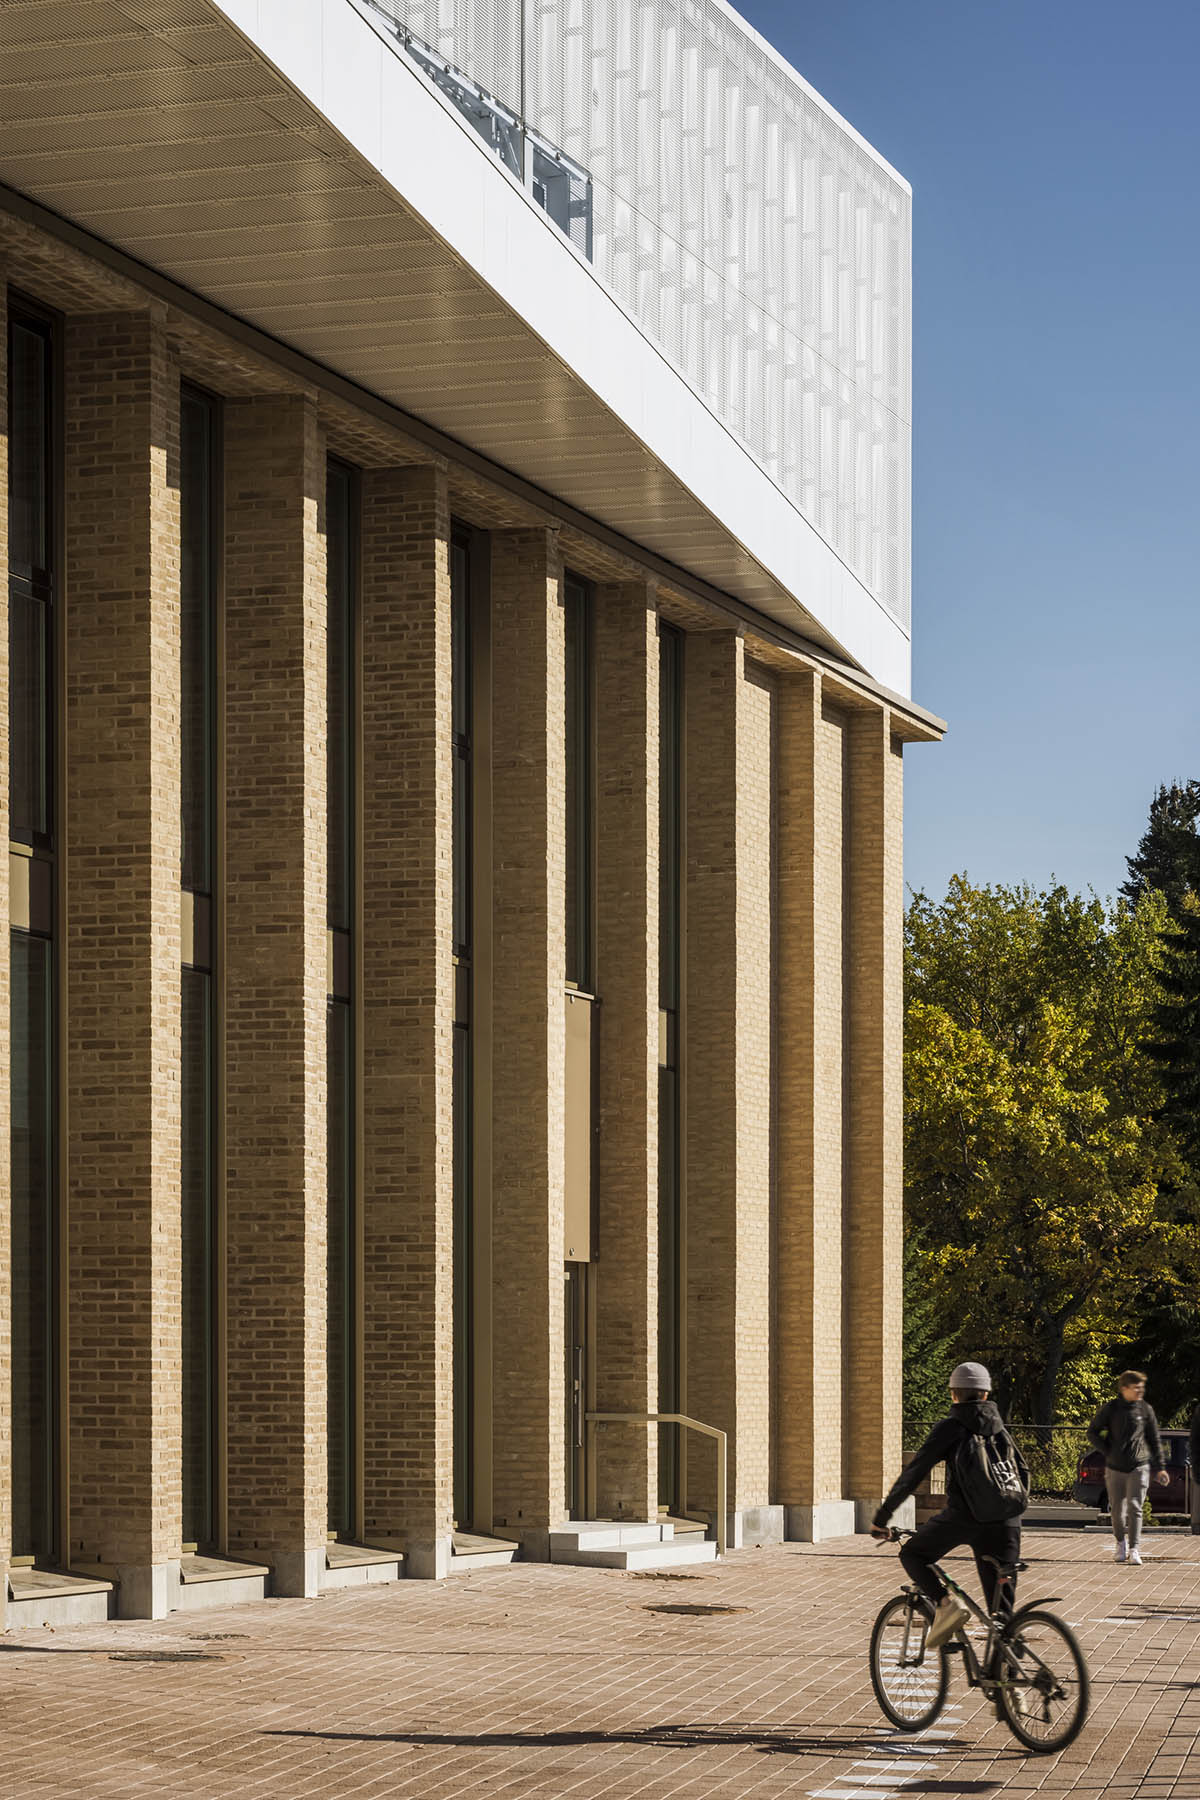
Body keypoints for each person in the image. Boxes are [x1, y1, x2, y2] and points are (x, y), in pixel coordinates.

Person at [870, 1361, 1029, 1653]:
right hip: (1008, 1521)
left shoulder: (951, 1428)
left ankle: (946, 1604)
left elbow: (913, 1474)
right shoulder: (1000, 1428)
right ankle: (1012, 1689)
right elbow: (1023, 1471)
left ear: (954, 1394)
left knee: (913, 1553)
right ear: (985, 1395)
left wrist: (882, 1518)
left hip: (965, 1517)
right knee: (1002, 1619)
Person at [1088, 1370, 1168, 1565]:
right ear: (1125, 1389)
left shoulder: (1145, 1409)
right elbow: (1092, 1432)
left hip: (1139, 1466)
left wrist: (1161, 1467)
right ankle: (1120, 1544)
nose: (1140, 1391)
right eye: (1136, 1388)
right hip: (1115, 1468)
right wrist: (1108, 1451)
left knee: (1135, 1507)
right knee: (1117, 1510)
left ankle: (1134, 1549)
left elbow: (1154, 1439)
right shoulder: (1112, 1408)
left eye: (1142, 1387)